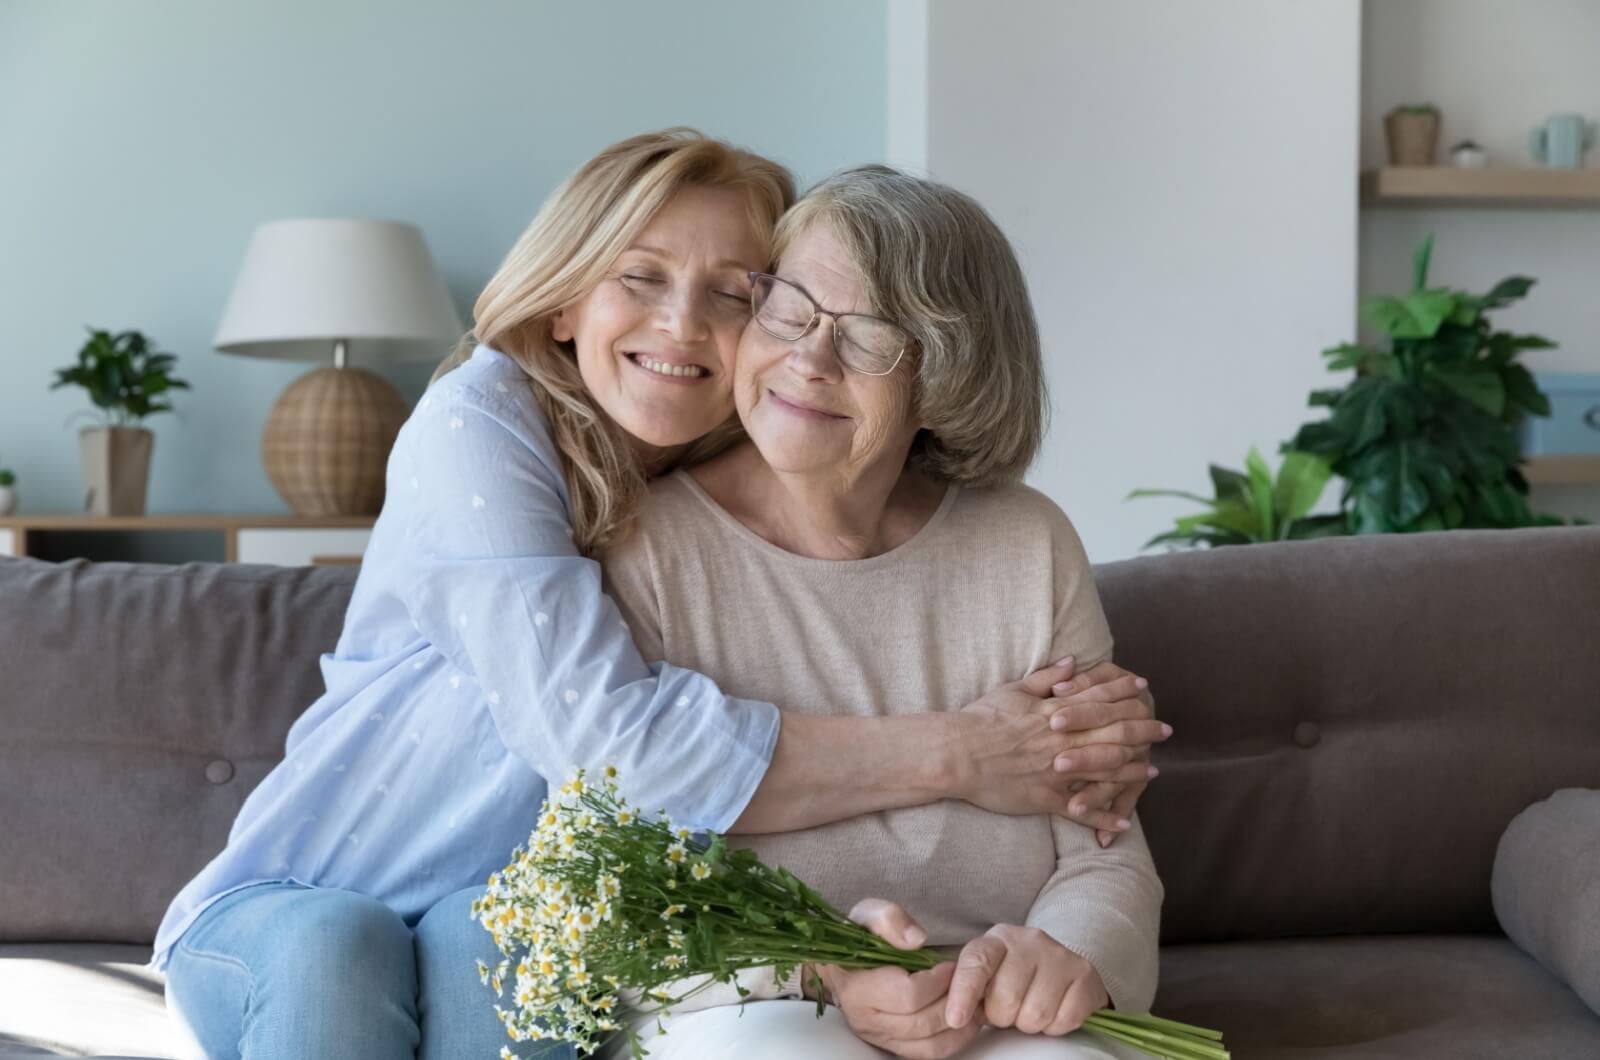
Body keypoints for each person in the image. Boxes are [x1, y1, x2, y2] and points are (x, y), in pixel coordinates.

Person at [154, 131, 1167, 1059]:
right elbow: (614, 755)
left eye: (735, 294)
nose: (687, 324)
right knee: (341, 943)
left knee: (492, 941)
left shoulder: (749, 463)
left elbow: (1101, 832)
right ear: (563, 296)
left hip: (503, 902)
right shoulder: (484, 429)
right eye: (640, 277)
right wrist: (970, 751)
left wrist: (1064, 933)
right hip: (312, 894)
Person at [600, 165, 1163, 1059]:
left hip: (992, 999)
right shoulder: (646, 546)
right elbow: (614, 876)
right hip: (748, 1004)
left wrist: (1067, 954)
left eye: (868, 338)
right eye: (788, 310)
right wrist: (820, 970)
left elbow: (1103, 843)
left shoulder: (1027, 545)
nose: (810, 360)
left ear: (944, 377)